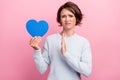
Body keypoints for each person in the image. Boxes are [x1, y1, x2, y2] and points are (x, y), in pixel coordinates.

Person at [29, 1, 92, 80]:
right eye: (63, 16)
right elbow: (42, 69)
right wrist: (37, 50)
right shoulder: (50, 40)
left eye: (70, 16)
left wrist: (66, 55)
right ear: (60, 19)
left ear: (76, 18)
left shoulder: (83, 42)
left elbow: (87, 71)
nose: (67, 19)